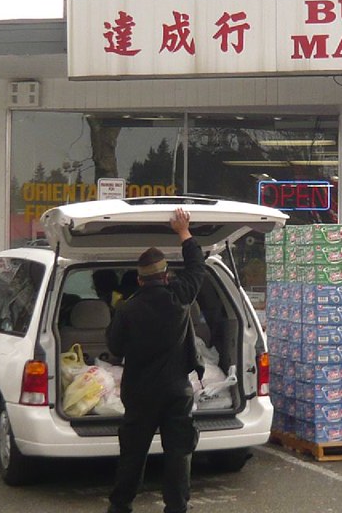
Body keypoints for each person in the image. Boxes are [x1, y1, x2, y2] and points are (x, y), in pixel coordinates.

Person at [106, 207, 205, 513]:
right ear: (166, 275)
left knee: (133, 455)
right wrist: (183, 232)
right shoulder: (180, 296)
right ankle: (176, 507)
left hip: (140, 393)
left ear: (139, 280)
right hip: (177, 391)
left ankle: (121, 506)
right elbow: (197, 267)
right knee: (178, 454)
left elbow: (114, 348)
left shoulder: (127, 310)